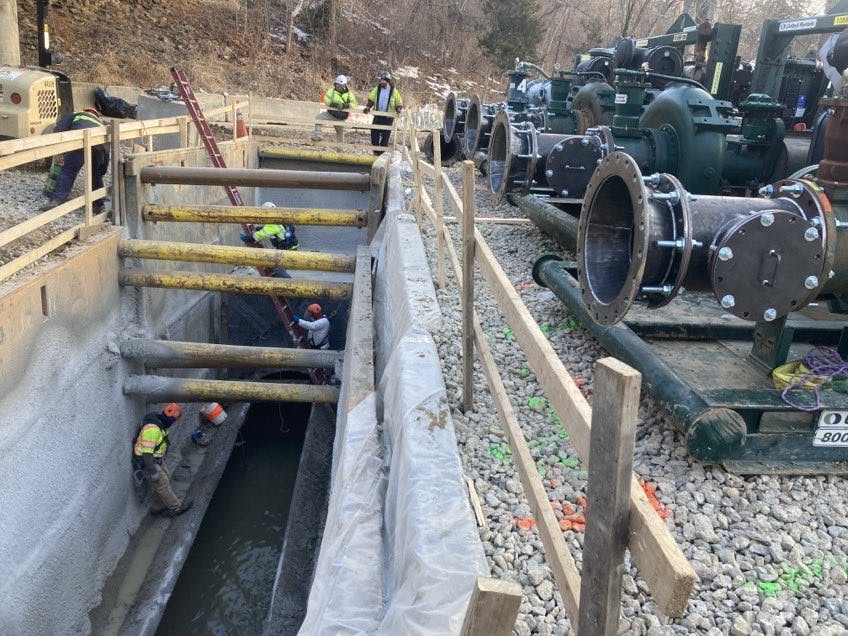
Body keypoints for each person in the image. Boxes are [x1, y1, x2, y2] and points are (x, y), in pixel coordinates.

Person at [40, 107, 110, 212]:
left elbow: (59, 129)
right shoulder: (100, 124)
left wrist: (58, 150)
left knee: (69, 171)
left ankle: (57, 200)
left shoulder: (76, 114)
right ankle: (99, 204)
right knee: (95, 174)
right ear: (96, 115)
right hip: (99, 146)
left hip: (80, 141)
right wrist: (102, 169)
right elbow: (107, 150)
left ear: (85, 110)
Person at [132, 403, 193, 517]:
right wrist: (153, 472)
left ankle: (158, 506)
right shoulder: (153, 430)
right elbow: (147, 454)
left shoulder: (159, 422)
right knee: (162, 484)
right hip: (148, 463)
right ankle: (176, 508)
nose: (174, 422)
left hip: (155, 459)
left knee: (164, 480)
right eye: (174, 420)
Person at [364, 71, 403, 152]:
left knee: (385, 137)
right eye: (380, 80)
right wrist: (368, 107)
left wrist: (398, 109)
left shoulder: (394, 91)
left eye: (383, 80)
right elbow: (371, 99)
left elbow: (398, 101)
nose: (381, 82)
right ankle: (375, 151)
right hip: (378, 115)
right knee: (374, 134)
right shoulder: (377, 89)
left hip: (388, 117)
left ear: (387, 81)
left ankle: (382, 153)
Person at [313, 75, 357, 143]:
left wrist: (344, 105)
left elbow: (354, 105)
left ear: (344, 85)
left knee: (340, 134)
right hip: (331, 114)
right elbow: (326, 100)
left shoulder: (349, 94)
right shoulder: (331, 91)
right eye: (337, 85)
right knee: (318, 118)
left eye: (339, 85)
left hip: (341, 117)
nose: (337, 86)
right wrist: (335, 104)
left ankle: (340, 151)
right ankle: (318, 135)